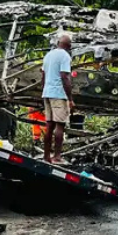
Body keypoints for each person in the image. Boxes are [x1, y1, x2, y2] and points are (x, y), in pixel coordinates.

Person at [39, 34, 74, 164]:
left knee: (49, 125)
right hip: (59, 94)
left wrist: (44, 91)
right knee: (60, 126)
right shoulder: (65, 56)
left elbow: (43, 76)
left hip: (47, 93)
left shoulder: (48, 55)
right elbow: (65, 76)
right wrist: (70, 98)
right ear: (68, 46)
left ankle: (46, 156)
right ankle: (57, 157)